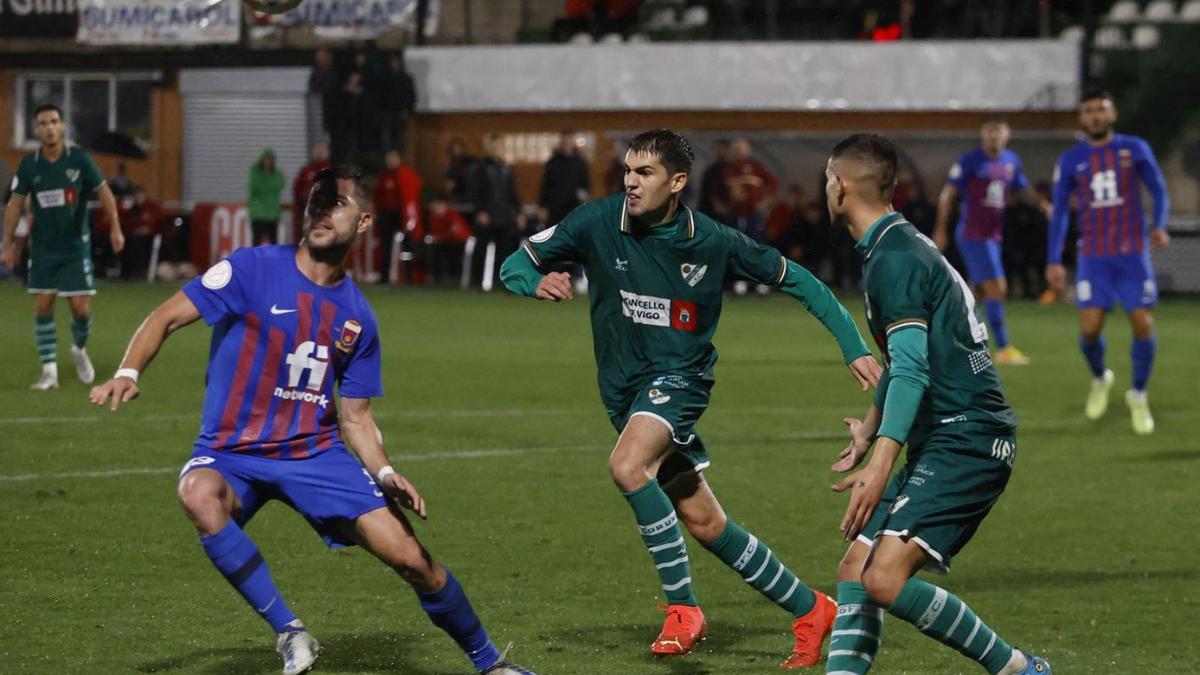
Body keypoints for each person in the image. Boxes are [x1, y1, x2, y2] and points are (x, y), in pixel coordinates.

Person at [87, 165, 534, 675]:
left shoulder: (358, 317)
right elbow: (165, 315)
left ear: (363, 222)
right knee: (197, 494)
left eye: (336, 204)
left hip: (315, 455)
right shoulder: (250, 268)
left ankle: (491, 664)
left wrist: (386, 473)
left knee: (412, 559)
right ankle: (290, 631)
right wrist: (128, 370)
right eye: (314, 204)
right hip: (234, 450)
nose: (321, 213)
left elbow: (358, 418)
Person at [499, 129, 881, 667]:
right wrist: (532, 283)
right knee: (704, 522)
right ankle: (810, 608)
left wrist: (851, 346)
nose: (631, 182)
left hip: (679, 380)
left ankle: (684, 609)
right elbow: (516, 262)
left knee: (629, 466)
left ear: (677, 182)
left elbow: (800, 281)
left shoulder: (714, 241)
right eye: (629, 171)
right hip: (623, 391)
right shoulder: (597, 221)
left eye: (645, 173)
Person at [821, 132, 1051, 675]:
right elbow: (907, 361)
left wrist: (880, 461)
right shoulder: (896, 246)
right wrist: (871, 428)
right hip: (944, 436)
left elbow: (914, 367)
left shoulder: (894, 259)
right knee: (856, 568)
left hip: (969, 439)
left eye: (828, 178)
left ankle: (1018, 669)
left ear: (842, 185)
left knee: (881, 578)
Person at [1046, 90, 1170, 435]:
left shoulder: (1134, 148)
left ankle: (1138, 394)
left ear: (1112, 114)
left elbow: (1158, 189)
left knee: (1143, 324)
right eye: (1088, 112)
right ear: (1082, 120)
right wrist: (1054, 259)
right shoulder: (1071, 159)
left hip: (1132, 254)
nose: (1095, 116)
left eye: (1100, 110)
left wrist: (1159, 224)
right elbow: (1058, 215)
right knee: (1089, 329)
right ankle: (1101, 378)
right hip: (1093, 256)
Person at [2, 103, 125, 390]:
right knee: (43, 304)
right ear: (36, 130)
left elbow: (104, 191)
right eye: (43, 123)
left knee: (80, 309)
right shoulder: (30, 165)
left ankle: (79, 349)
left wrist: (116, 227)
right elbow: (15, 203)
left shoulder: (79, 159)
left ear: (62, 126)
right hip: (44, 247)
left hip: (74, 246)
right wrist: (7, 243)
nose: (49, 128)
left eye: (54, 122)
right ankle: (49, 372)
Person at [932, 116, 1048, 366]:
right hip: (974, 234)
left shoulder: (1011, 161)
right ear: (983, 134)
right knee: (998, 287)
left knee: (978, 294)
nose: (995, 135)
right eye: (990, 131)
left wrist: (1043, 205)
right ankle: (1004, 348)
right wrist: (941, 229)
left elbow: (1022, 188)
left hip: (993, 236)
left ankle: (946, 341)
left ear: (1007, 134)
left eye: (999, 131)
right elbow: (948, 194)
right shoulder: (970, 160)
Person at [467, 134, 524, 288]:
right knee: (481, 250)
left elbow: (512, 194)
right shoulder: (479, 168)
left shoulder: (506, 168)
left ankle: (502, 283)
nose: (497, 149)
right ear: (487, 147)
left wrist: (518, 213)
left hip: (504, 216)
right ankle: (477, 282)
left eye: (499, 145)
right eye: (494, 145)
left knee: (504, 252)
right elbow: (474, 192)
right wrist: (480, 211)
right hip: (486, 215)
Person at [373, 150, 424, 284]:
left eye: (393, 158)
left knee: (407, 245)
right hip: (387, 215)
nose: (390, 161)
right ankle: (384, 275)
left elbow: (412, 195)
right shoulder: (384, 177)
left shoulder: (406, 175)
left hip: (403, 215)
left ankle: (409, 275)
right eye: (388, 159)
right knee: (386, 245)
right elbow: (378, 196)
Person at [538, 131, 591, 228]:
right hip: (555, 207)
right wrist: (543, 207)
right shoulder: (553, 162)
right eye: (565, 141)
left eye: (569, 141)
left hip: (574, 207)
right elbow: (546, 185)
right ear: (561, 143)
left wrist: (585, 204)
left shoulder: (580, 163)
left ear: (572, 143)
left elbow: (585, 185)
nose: (567, 144)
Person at [119, 186, 166, 279]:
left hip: (150, 238)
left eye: (140, 195)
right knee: (128, 242)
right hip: (133, 237)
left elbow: (162, 224)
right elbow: (126, 225)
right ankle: (127, 271)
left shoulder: (153, 208)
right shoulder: (131, 211)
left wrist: (149, 230)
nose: (138, 198)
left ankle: (140, 271)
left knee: (139, 243)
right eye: (136, 196)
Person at [293, 143, 331, 243]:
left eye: (322, 151)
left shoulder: (331, 171)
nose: (320, 153)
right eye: (318, 151)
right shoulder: (307, 170)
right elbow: (297, 189)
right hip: (309, 213)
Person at [248, 148, 285, 246]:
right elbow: (253, 187)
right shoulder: (255, 172)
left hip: (272, 214)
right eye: (266, 159)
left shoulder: (277, 174)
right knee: (256, 242)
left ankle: (273, 261)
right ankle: (254, 261)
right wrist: (268, 186)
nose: (267, 162)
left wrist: (264, 184)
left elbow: (280, 184)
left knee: (274, 241)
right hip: (258, 214)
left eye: (270, 159)